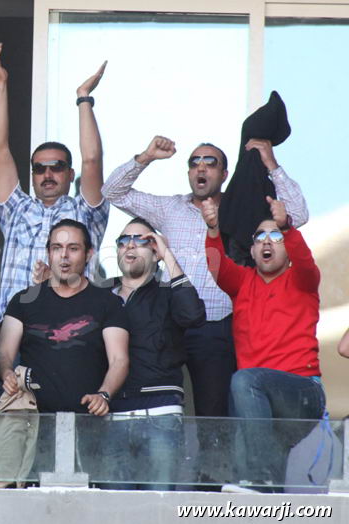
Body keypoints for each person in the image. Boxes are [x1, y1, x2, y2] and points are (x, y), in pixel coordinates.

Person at [101, 136, 308, 435]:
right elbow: (112, 191)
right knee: (153, 403)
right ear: (188, 173)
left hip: (215, 325)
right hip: (168, 323)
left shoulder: (241, 210)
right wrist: (146, 156)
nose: (201, 167)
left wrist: (271, 164)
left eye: (210, 163)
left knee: (213, 418)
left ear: (224, 174)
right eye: (194, 162)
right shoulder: (169, 207)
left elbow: (298, 215)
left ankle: (213, 466)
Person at [201, 196, 325, 491]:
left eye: (276, 237)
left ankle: (261, 475)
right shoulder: (242, 281)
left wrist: (288, 227)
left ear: (287, 248)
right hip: (256, 403)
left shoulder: (302, 279)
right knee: (252, 490)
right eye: (260, 237)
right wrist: (213, 230)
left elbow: (305, 261)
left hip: (302, 393)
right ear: (252, 250)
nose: (267, 242)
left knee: (244, 381)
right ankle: (264, 491)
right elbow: (216, 267)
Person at [0, 43, 109, 320]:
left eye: (57, 167)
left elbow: (92, 159)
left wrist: (83, 98)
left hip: (72, 329)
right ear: (32, 175)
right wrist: (1, 83)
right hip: (14, 329)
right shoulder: (16, 209)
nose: (47, 174)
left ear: (70, 174)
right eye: (39, 168)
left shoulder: (85, 212)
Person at [102, 218, 206, 490]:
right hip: (111, 415)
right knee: (112, 509)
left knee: (159, 506)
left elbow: (193, 316)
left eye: (141, 240)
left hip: (161, 414)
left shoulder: (168, 293)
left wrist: (168, 255)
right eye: (123, 241)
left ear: (155, 251)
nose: (130, 246)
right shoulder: (101, 294)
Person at [0, 219, 129, 415]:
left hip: (90, 420)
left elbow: (119, 360)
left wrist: (104, 394)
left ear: (89, 254)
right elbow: (4, 354)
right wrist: (6, 372)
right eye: (57, 248)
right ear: (48, 253)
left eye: (73, 248)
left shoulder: (108, 302)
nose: (64, 255)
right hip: (32, 419)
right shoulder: (22, 301)